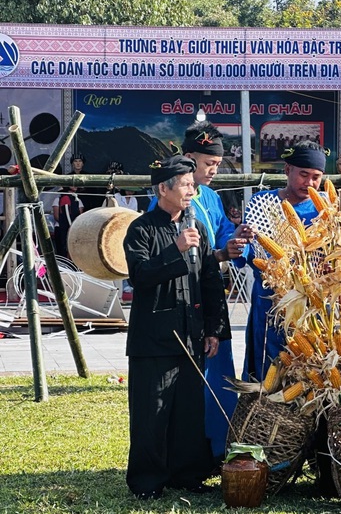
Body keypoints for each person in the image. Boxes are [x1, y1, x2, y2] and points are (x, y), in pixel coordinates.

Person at [123, 156, 228, 500]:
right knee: (151, 413)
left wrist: (213, 329)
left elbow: (210, 280)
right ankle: (147, 480)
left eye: (191, 184)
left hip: (191, 334)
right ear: (163, 189)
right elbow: (140, 277)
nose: (192, 190)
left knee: (188, 411)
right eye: (184, 184)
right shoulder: (141, 229)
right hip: (153, 339)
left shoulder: (195, 225)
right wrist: (176, 249)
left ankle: (187, 475)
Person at [149, 121, 245, 465]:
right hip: (181, 300)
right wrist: (215, 255)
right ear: (188, 158)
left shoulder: (213, 198)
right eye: (209, 165)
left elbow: (219, 238)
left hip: (210, 294)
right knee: (191, 377)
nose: (214, 171)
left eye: (217, 165)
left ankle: (222, 448)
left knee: (219, 373)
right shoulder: (165, 201)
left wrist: (232, 245)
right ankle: (191, 454)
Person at [235, 140, 326, 382]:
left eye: (316, 177)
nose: (309, 183)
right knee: (269, 367)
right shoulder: (262, 203)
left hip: (313, 301)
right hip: (270, 300)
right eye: (303, 175)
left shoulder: (327, 208)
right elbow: (247, 248)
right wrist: (238, 246)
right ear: (287, 171)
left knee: (312, 368)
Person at [52, 186, 84, 259]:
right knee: (62, 250)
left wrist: (72, 225)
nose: (75, 187)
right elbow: (56, 216)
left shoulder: (78, 200)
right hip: (61, 227)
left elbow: (80, 216)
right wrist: (66, 223)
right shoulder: (58, 199)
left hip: (74, 228)